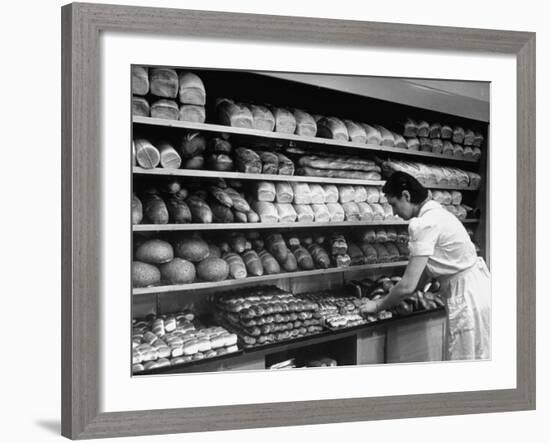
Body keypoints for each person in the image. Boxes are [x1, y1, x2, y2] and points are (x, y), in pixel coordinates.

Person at [361, 171, 491, 360]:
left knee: (467, 366)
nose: (394, 213)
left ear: (406, 196)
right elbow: (422, 276)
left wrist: (377, 305)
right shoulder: (438, 214)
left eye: (394, 205)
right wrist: (404, 295)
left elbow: (407, 285)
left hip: (467, 298)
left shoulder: (424, 223)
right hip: (478, 290)